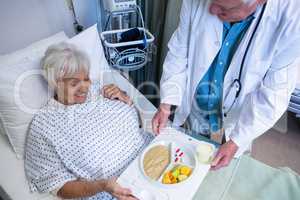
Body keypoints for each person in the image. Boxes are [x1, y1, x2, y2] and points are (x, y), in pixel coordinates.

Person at [152, 0, 300, 170]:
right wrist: (167, 102)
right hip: (193, 111)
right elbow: (179, 52)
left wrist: (236, 141)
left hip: (236, 123)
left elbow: (274, 94)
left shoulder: (292, 20)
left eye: (223, 7)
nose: (211, 9)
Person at [25, 42, 153, 200]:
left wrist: (127, 99)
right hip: (118, 189)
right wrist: (103, 185)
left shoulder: (100, 90)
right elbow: (57, 185)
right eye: (74, 83)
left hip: (150, 154)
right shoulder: (44, 125)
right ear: (54, 83)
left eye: (86, 79)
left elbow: (139, 125)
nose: (84, 87)